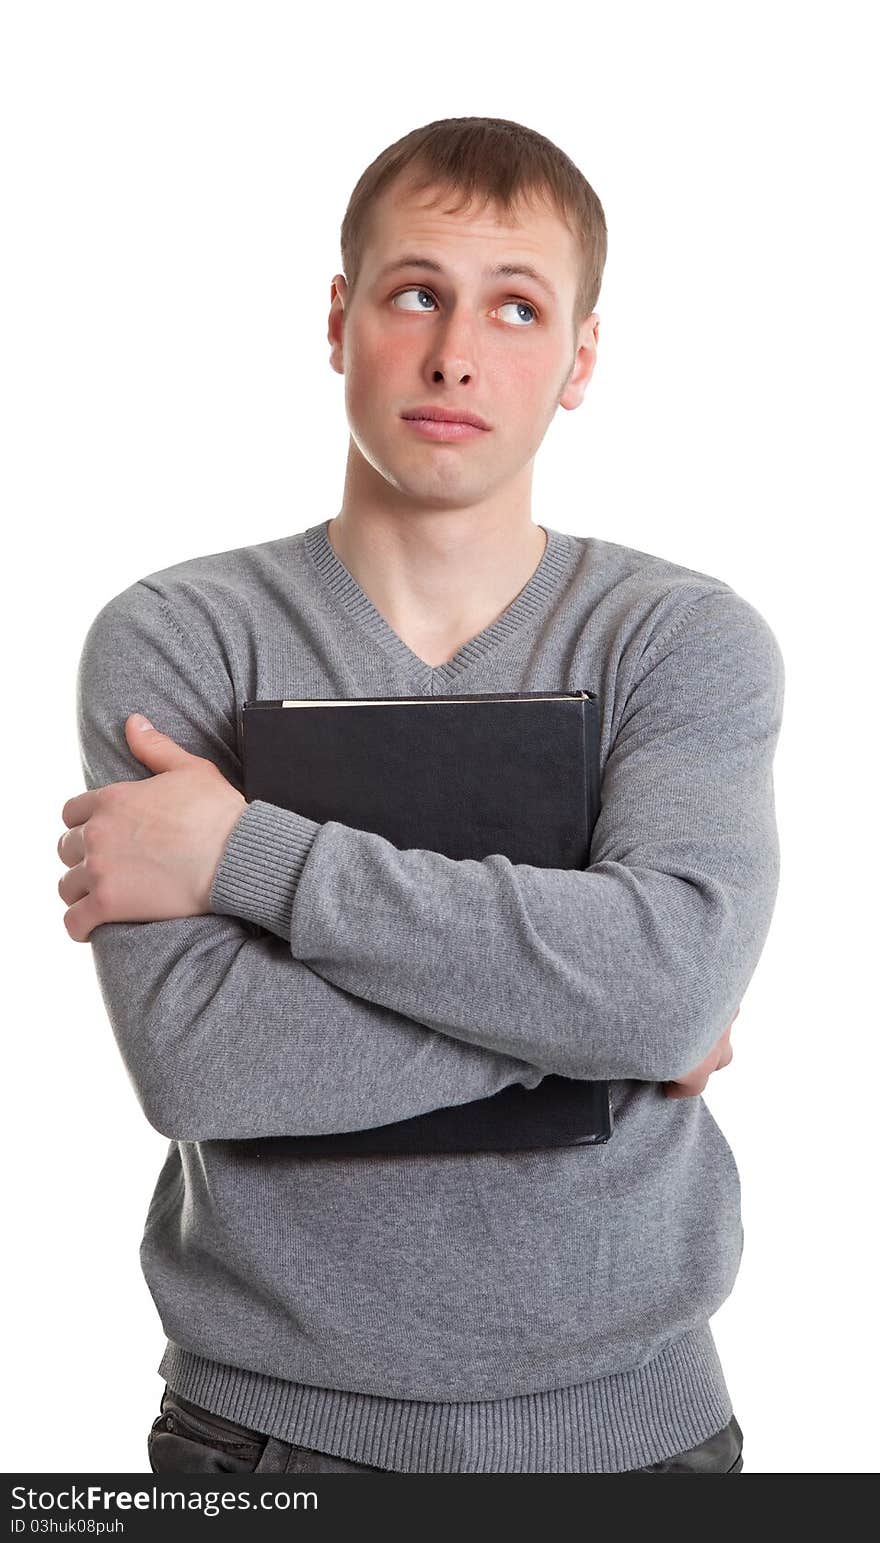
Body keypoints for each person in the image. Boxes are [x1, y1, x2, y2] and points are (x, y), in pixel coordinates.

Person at [58, 116, 782, 1474]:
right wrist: (609, 1007)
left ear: (580, 360)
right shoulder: (179, 640)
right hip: (265, 1441)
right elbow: (203, 1064)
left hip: (643, 1438)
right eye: (415, 293)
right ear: (339, 320)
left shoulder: (679, 639)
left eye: (517, 307)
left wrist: (244, 857)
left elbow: (671, 988)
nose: (457, 351)